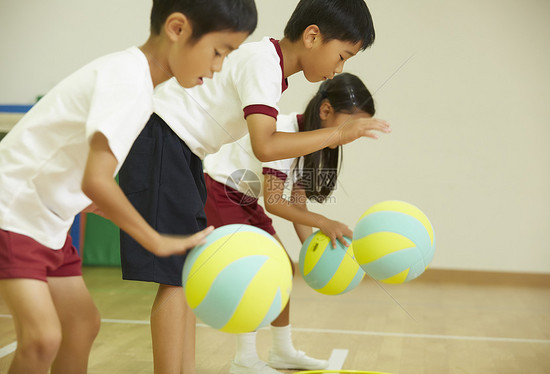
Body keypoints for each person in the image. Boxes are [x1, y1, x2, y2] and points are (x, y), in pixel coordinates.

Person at [120, 1, 390, 373]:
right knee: (175, 280)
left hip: (182, 152)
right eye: (341, 56)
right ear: (313, 36)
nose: (337, 70)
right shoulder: (264, 63)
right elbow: (265, 145)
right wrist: (338, 134)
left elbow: (283, 176)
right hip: (164, 139)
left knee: (182, 278)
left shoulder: (271, 69)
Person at [0, 0, 257, 373]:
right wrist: (154, 238)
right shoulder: (126, 78)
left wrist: (84, 200)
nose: (218, 68)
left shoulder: (139, 85)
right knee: (42, 339)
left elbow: (74, 161)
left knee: (82, 324)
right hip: (15, 212)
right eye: (218, 52)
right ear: (177, 29)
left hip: (47, 220)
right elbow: (97, 178)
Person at [204, 73, 376, 373]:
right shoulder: (284, 130)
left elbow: (296, 200)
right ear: (325, 111)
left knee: (283, 266)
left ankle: (282, 351)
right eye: (350, 128)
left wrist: (311, 247)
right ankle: (244, 360)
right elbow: (274, 201)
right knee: (253, 273)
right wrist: (324, 222)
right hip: (219, 190)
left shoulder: (310, 141)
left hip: (242, 197)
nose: (351, 137)